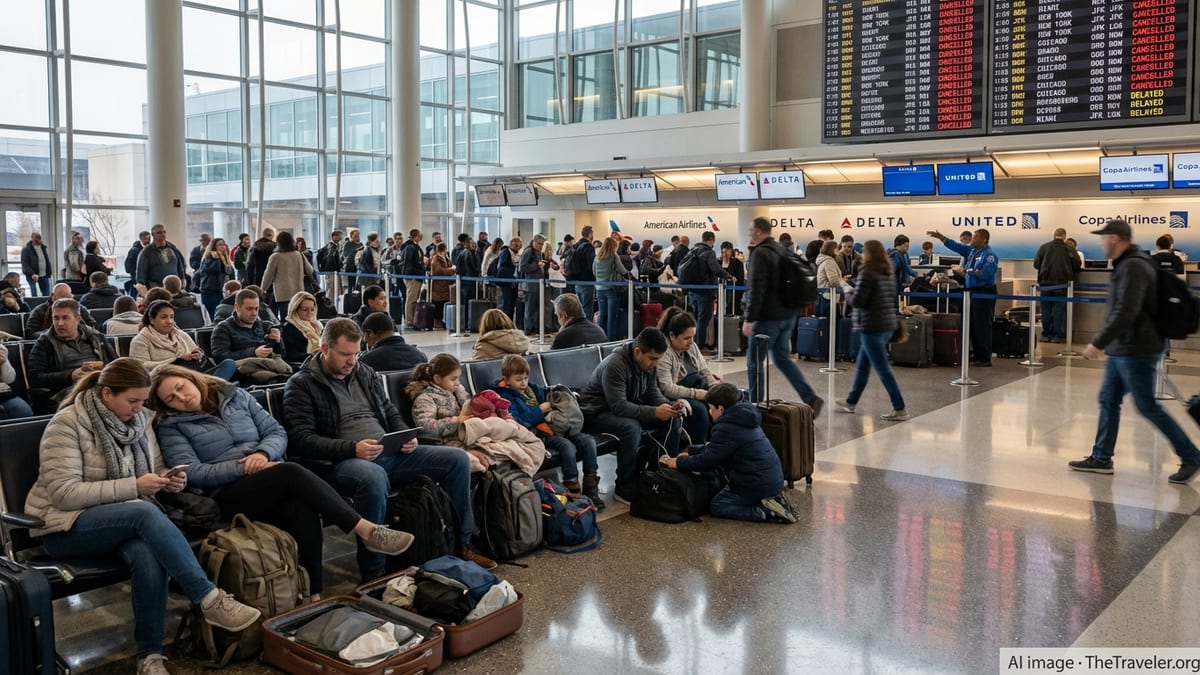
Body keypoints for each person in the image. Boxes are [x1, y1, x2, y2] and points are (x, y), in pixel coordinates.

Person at [23, 358, 261, 674]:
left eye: (143, 401)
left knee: (147, 551)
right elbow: (63, 494)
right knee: (143, 511)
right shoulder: (68, 423)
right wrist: (134, 486)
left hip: (120, 522)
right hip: (66, 526)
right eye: (132, 401)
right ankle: (209, 599)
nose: (139, 408)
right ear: (107, 393)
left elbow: (154, 467)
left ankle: (149, 656)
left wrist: (169, 478)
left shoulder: (140, 421)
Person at [150, 366, 414, 601]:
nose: (182, 398)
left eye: (180, 387)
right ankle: (367, 531)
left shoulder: (234, 396)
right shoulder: (171, 425)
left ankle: (313, 594)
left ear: (191, 378)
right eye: (171, 398)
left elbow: (275, 432)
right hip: (226, 493)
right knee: (290, 472)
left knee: (300, 505)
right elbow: (193, 472)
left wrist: (263, 455)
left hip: (269, 473)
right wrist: (244, 466)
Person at [281, 319, 496, 577]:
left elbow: (390, 412)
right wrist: (352, 449)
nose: (352, 361)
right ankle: (375, 572)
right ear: (324, 349)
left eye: (357, 353)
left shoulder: (364, 373)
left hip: (388, 451)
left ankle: (461, 545)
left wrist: (405, 434)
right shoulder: (302, 384)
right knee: (373, 478)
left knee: (457, 460)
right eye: (345, 354)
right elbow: (301, 439)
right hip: (341, 463)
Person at [1069, 219, 1200, 484]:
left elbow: (1126, 311)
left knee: (1147, 406)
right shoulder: (1129, 263)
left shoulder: (1134, 266)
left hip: (1138, 348)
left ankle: (1191, 456)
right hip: (1124, 348)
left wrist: (1098, 342)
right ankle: (1101, 457)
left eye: (1103, 238)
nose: (1101, 242)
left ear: (1115, 238)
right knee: (1108, 400)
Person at [659, 383, 797, 524]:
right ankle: (771, 500)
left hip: (755, 484)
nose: (709, 412)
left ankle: (765, 512)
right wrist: (691, 450)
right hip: (771, 480)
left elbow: (708, 461)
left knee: (719, 505)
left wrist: (678, 462)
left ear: (721, 408)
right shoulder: (744, 417)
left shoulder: (726, 427)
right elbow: (717, 448)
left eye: (711, 408)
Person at [578, 328, 684, 505]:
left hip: (623, 410)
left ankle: (656, 472)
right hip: (596, 414)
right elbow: (619, 406)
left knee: (672, 419)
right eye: (652, 359)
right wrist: (654, 411)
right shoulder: (615, 365)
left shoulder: (647, 364)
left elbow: (652, 394)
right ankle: (624, 485)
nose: (655, 364)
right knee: (630, 427)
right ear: (637, 352)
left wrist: (668, 406)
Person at [491, 354, 605, 508]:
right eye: (518, 379)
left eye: (525, 378)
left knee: (588, 441)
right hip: (539, 433)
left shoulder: (531, 389)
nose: (523, 382)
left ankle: (591, 487)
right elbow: (517, 422)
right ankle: (572, 488)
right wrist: (539, 410)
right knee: (567, 446)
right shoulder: (505, 397)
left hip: (554, 426)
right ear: (506, 379)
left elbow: (546, 393)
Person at [742, 217, 823, 413]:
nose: (749, 233)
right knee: (782, 358)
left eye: (751, 230)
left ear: (760, 231)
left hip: (767, 318)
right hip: (787, 315)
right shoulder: (782, 249)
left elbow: (757, 288)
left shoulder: (760, 253)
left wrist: (749, 318)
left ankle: (755, 406)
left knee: (754, 361)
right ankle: (810, 398)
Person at [834, 240, 908, 421]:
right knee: (863, 366)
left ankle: (900, 408)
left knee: (883, 369)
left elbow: (858, 301)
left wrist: (847, 291)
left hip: (871, 326)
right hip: (885, 325)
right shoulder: (888, 273)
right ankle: (851, 402)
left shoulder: (867, 273)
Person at [926, 227, 999, 367]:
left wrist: (965, 271)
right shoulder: (972, 251)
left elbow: (985, 274)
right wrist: (942, 237)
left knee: (982, 325)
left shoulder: (989, 255)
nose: (972, 239)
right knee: (972, 324)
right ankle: (976, 354)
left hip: (984, 292)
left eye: (975, 237)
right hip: (970, 291)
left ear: (984, 240)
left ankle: (984, 358)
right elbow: (956, 246)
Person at [655, 306, 719, 444]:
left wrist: (716, 388)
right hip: (676, 395)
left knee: (725, 400)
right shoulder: (664, 352)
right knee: (700, 411)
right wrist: (701, 394)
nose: (691, 341)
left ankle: (719, 445)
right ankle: (696, 450)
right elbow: (668, 389)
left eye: (693, 337)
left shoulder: (692, 347)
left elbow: (705, 372)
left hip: (696, 387)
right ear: (671, 336)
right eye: (687, 338)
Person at [129, 300, 237, 381]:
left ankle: (209, 386)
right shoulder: (141, 340)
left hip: (196, 373)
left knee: (229, 364)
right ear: (151, 320)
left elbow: (196, 351)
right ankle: (213, 386)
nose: (169, 321)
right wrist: (175, 359)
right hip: (168, 379)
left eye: (172, 317)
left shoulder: (180, 334)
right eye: (164, 317)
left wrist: (196, 354)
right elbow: (141, 367)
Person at [210, 289, 290, 385]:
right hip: (243, 375)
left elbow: (282, 356)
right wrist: (253, 352)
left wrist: (278, 342)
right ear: (237, 307)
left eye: (256, 309)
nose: (254, 313)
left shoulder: (264, 326)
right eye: (249, 309)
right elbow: (222, 358)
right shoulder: (223, 329)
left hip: (269, 367)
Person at [681, 231, 734, 355]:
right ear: (711, 240)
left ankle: (693, 346)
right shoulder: (709, 252)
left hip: (693, 291)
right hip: (705, 291)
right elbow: (716, 269)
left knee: (696, 319)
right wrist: (729, 276)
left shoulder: (693, 250)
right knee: (703, 321)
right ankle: (699, 348)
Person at [1033, 227, 1082, 343]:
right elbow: (1077, 264)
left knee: (1045, 309)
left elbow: (1036, 264)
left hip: (1045, 283)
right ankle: (1056, 335)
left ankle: (1045, 335)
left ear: (1054, 235)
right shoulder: (1069, 248)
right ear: (1064, 236)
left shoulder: (1044, 247)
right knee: (1058, 309)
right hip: (1062, 283)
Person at [260, 230, 314, 318]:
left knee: (285, 319)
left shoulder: (275, 256)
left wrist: (263, 289)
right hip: (298, 293)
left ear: (279, 242)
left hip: (283, 294)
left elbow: (268, 275)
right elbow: (310, 270)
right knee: (298, 319)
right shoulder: (298, 255)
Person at [359, 312, 427, 372]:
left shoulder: (367, 360)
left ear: (370, 333)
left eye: (364, 336)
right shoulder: (420, 356)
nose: (365, 340)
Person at [25, 284, 98, 339]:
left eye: (68, 298)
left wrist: (78, 332)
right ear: (53, 297)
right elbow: (31, 333)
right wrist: (51, 334)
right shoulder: (40, 311)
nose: (64, 302)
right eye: (61, 298)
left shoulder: (80, 309)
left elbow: (93, 327)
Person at [593, 236, 631, 340]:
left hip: (599, 289)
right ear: (613, 246)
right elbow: (622, 270)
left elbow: (594, 272)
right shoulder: (614, 256)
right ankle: (611, 340)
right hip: (611, 289)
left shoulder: (597, 257)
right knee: (612, 317)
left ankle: (600, 339)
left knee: (602, 316)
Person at [135, 224, 187, 291]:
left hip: (174, 287)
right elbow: (141, 272)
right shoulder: (146, 252)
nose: (162, 234)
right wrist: (141, 285)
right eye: (159, 232)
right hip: (156, 288)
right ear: (153, 235)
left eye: (164, 232)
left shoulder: (172, 247)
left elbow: (180, 263)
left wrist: (182, 277)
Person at [281, 291, 324, 368]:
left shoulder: (318, 326)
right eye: (305, 309)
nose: (309, 313)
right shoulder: (288, 329)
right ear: (295, 309)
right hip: (303, 367)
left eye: (312, 309)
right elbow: (289, 355)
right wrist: (312, 355)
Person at [194, 237, 235, 320]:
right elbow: (214, 269)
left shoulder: (226, 259)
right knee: (214, 316)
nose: (222, 247)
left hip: (222, 292)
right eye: (219, 245)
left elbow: (230, 272)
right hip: (209, 291)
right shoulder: (209, 258)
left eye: (223, 245)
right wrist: (217, 258)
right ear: (213, 247)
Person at [518, 234, 547, 335]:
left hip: (538, 284)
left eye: (542, 244)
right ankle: (528, 330)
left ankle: (535, 328)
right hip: (530, 285)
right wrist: (536, 265)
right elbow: (522, 267)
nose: (540, 246)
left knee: (537, 309)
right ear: (534, 241)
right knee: (530, 309)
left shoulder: (538, 252)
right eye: (539, 244)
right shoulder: (528, 251)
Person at [568, 226, 597, 317]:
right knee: (587, 309)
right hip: (587, 281)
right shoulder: (588, 247)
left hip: (577, 281)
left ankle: (579, 328)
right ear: (590, 234)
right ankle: (586, 329)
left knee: (579, 308)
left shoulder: (576, 245)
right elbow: (591, 265)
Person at [0, 343, 33, 419]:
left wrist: (4, 363)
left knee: (23, 410)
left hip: (3, 394)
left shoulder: (1, 349)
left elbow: (9, 379)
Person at [429, 241, 456, 330]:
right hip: (439, 285)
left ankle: (443, 322)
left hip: (445, 285)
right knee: (438, 304)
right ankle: (437, 322)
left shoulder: (446, 257)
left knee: (443, 303)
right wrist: (451, 270)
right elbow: (439, 271)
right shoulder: (436, 259)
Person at [815, 240, 843, 318]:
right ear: (831, 249)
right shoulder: (829, 262)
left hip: (825, 296)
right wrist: (844, 286)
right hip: (829, 297)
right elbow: (834, 281)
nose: (838, 249)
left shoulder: (824, 261)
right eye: (836, 248)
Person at [22, 231, 53, 296]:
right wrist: (32, 273)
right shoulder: (26, 250)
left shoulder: (43, 248)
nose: (38, 239)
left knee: (46, 294)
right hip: (32, 276)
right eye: (36, 237)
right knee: (34, 295)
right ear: (32, 238)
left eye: (39, 237)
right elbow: (25, 265)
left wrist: (49, 272)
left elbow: (46, 261)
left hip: (44, 275)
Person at [719, 241, 744, 316]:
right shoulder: (718, 262)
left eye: (727, 251)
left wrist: (739, 295)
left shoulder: (737, 263)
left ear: (731, 251)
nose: (725, 254)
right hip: (721, 293)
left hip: (733, 293)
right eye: (723, 251)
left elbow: (740, 279)